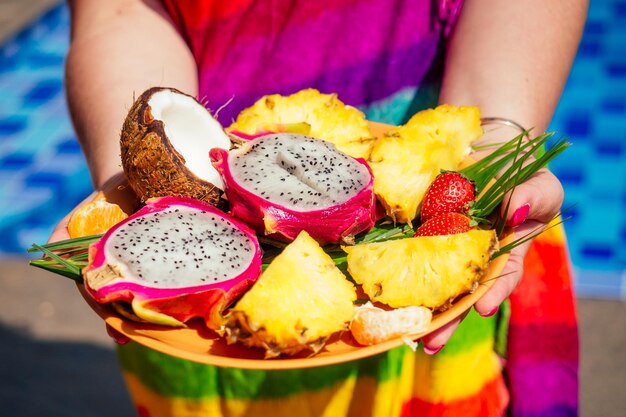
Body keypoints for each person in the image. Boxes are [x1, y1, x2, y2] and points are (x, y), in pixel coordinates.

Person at [51, 0, 587, 416]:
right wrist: (147, 183)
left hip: (429, 231)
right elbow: (119, 13)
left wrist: (493, 143)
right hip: (206, 293)